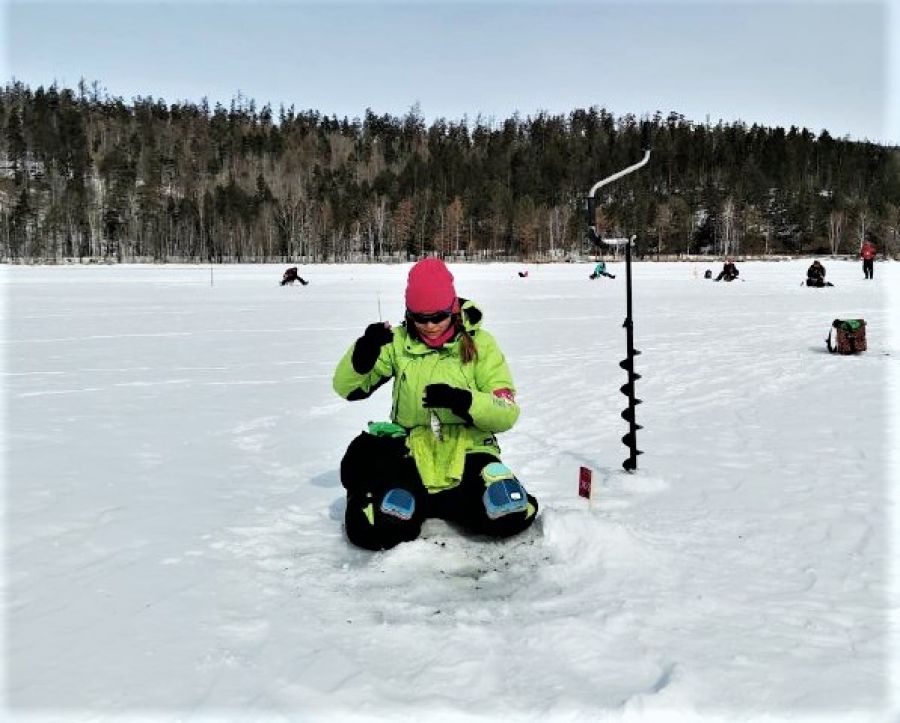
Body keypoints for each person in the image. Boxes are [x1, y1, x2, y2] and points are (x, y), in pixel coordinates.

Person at [333, 258, 539, 551]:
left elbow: (506, 413)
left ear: (453, 308)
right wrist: (362, 355)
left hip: (470, 451)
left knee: (507, 512)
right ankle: (386, 497)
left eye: (438, 317)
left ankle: (464, 498)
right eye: (420, 318)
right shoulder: (396, 342)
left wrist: (465, 402)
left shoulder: (482, 345)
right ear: (409, 313)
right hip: (410, 453)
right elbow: (347, 388)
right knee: (374, 528)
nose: (429, 326)